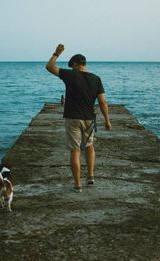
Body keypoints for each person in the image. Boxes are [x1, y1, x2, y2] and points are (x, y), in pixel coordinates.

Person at [46, 44, 112, 192]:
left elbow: (49, 67)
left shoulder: (70, 75)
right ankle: (90, 176)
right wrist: (107, 120)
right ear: (85, 64)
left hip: (72, 118)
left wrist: (57, 53)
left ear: (75, 64)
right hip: (89, 119)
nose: (72, 68)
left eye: (72, 66)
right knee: (89, 146)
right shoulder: (96, 79)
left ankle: (77, 185)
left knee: (75, 150)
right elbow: (102, 101)